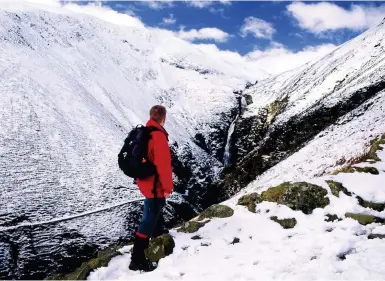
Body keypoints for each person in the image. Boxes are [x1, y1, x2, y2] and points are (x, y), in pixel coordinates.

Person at [129, 105, 173, 272]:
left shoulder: (144, 133)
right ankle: (137, 259)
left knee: (155, 211)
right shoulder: (158, 137)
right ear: (164, 119)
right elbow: (164, 166)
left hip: (144, 181)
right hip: (154, 185)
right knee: (148, 219)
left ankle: (158, 237)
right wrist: (168, 187)